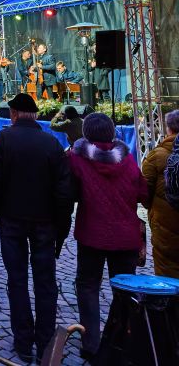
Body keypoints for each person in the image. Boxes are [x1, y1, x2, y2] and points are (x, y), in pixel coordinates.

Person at [0, 93, 72, 363]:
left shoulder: (2, 140)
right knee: (45, 282)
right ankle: (45, 340)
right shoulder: (51, 143)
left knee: (17, 280)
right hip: (45, 222)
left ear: (13, 114)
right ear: (34, 115)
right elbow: (63, 190)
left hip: (11, 219)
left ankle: (23, 341)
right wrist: (62, 226)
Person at [68, 112, 147, 360]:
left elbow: (68, 192)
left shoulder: (76, 159)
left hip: (92, 233)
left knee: (88, 286)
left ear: (86, 133)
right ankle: (121, 340)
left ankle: (91, 343)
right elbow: (144, 193)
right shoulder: (128, 161)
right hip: (126, 236)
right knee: (124, 291)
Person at [142, 110, 179, 278]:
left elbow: (144, 194)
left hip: (165, 225)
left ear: (169, 129)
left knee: (168, 276)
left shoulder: (156, 156)